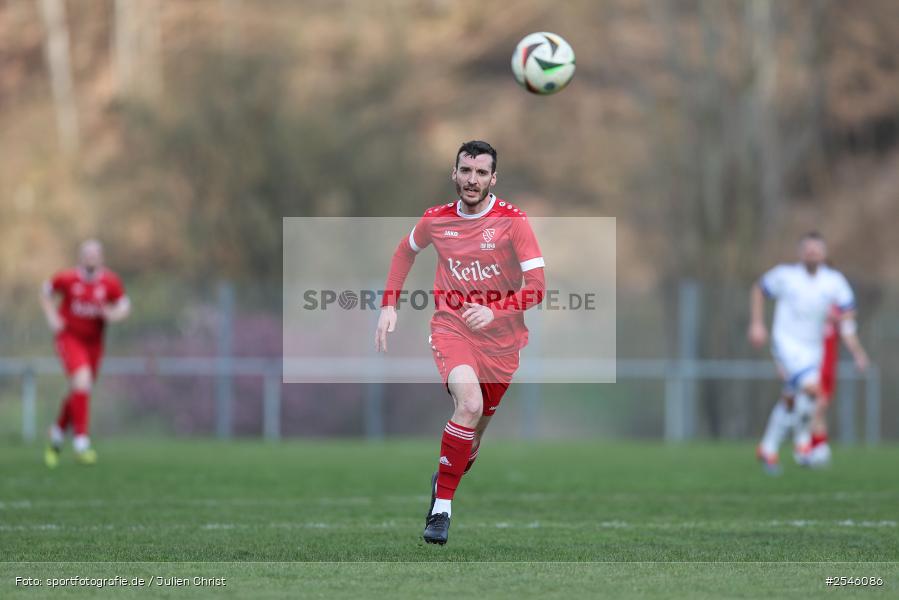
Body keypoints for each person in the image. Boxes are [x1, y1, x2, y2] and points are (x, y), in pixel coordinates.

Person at [375, 141, 545, 544]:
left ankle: (445, 478)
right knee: (468, 404)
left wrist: (496, 310)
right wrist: (388, 305)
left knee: (472, 438)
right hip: (452, 329)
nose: (472, 180)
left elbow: (538, 288)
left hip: (502, 343)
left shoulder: (513, 222)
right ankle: (441, 511)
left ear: (493, 179)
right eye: (465, 171)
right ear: (454, 173)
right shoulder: (436, 220)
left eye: (481, 173)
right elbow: (404, 251)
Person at [748, 232, 868, 474]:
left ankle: (768, 448)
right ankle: (802, 444)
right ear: (800, 252)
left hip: (813, 348)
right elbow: (759, 290)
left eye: (817, 249)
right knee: (812, 389)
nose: (812, 253)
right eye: (808, 249)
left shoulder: (833, 281)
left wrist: (854, 345)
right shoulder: (786, 275)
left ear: (824, 253)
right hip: (786, 343)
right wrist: (757, 323)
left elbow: (848, 311)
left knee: (794, 397)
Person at [40, 239, 130, 467]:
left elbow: (124, 306)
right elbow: (45, 291)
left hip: (94, 344)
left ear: (101, 257)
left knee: (81, 388)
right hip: (69, 338)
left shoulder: (110, 282)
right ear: (81, 257)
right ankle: (81, 442)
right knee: (82, 381)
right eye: (87, 254)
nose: (91, 258)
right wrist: (52, 316)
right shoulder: (68, 278)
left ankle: (57, 436)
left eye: (95, 254)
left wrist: (114, 314)